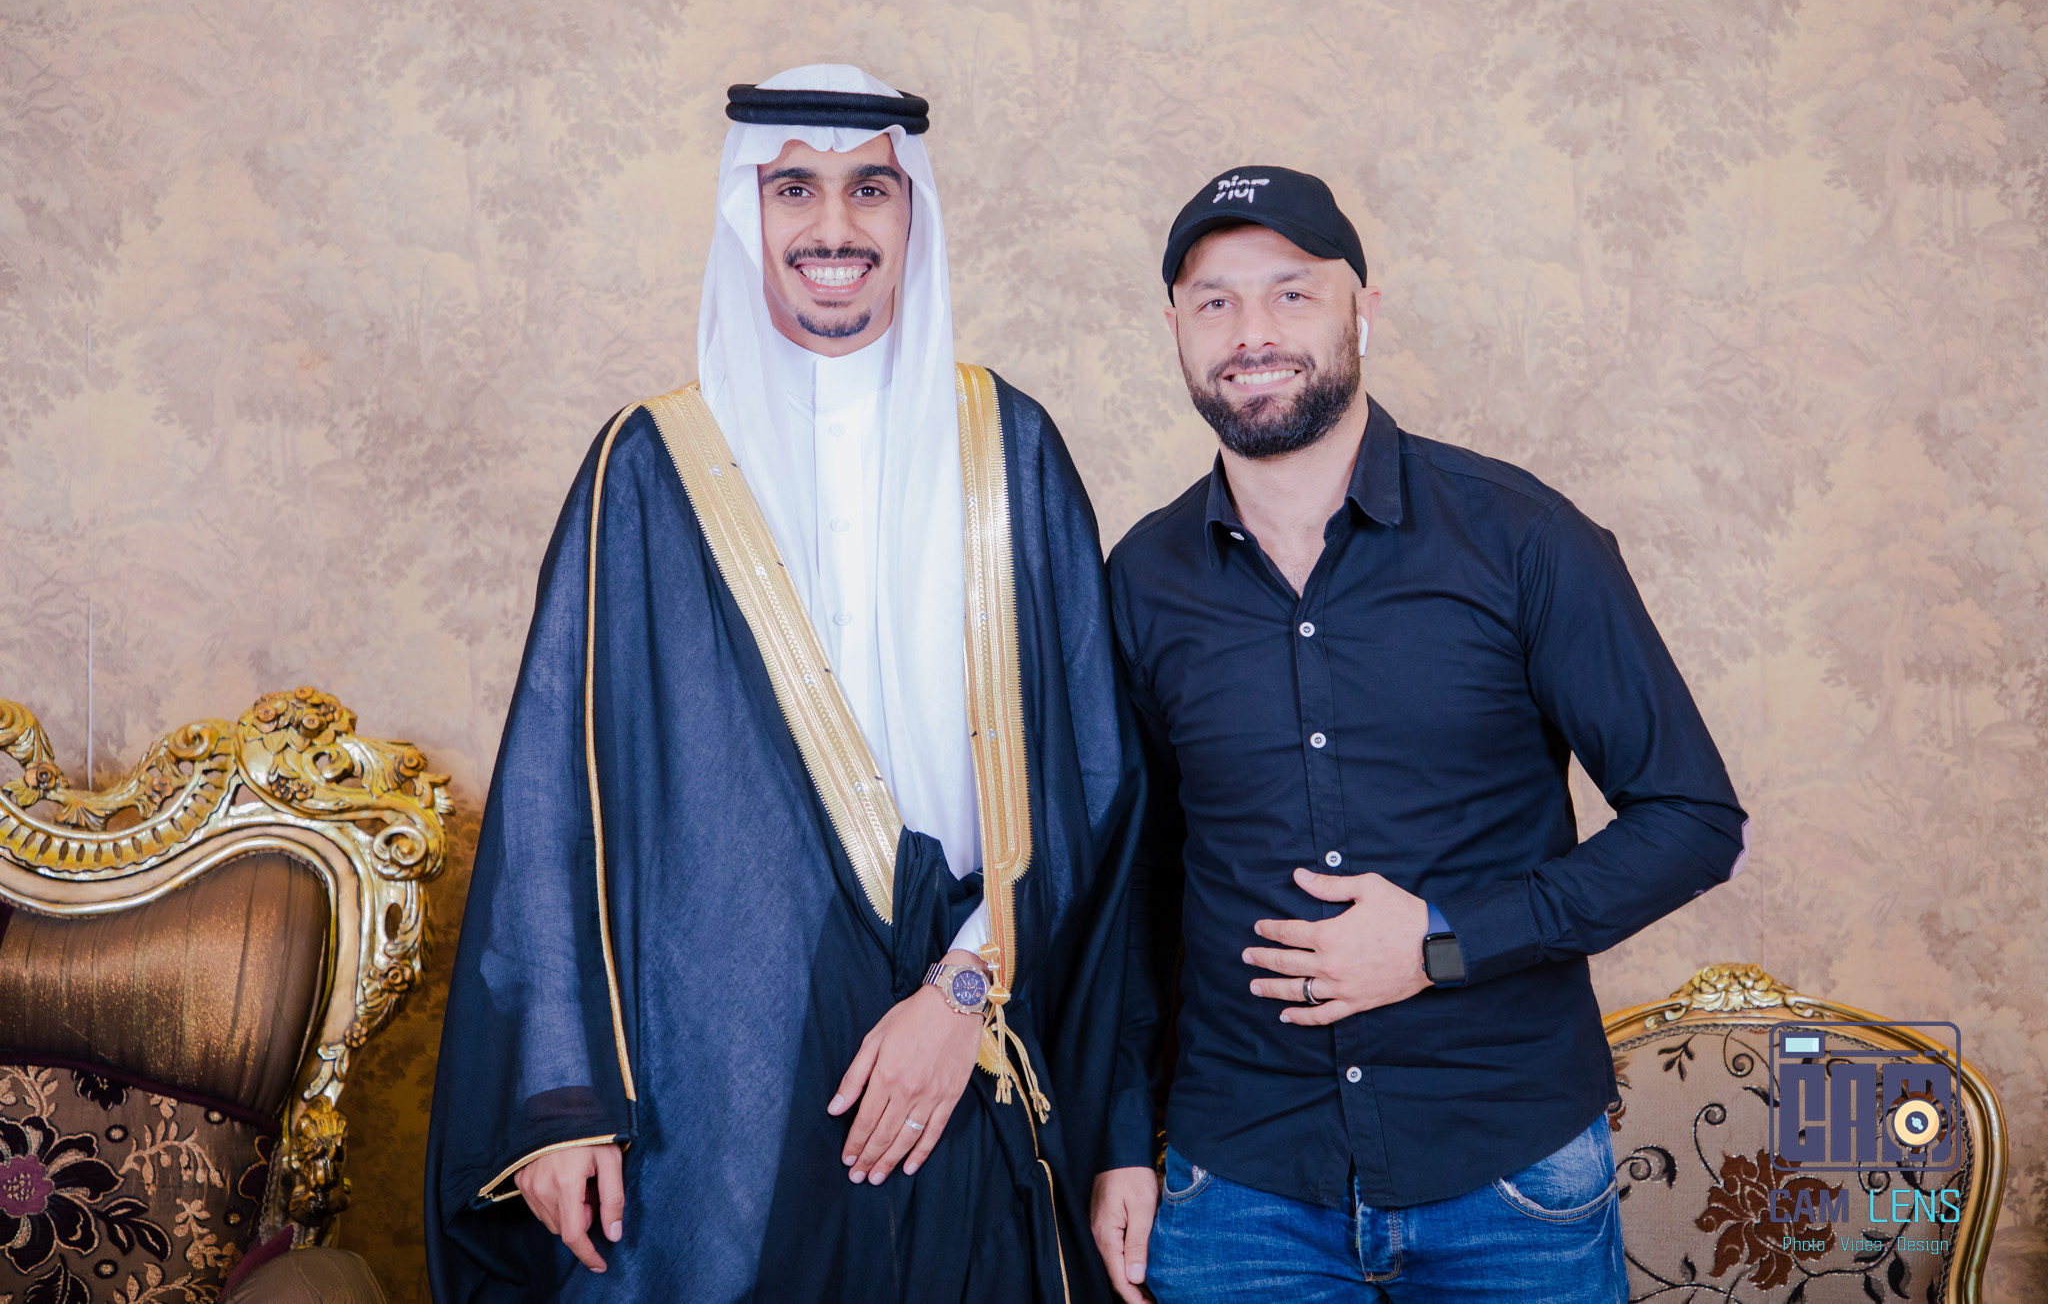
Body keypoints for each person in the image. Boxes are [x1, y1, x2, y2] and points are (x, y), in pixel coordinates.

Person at [425, 65, 1139, 1304]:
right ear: (743, 214)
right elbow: (553, 802)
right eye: (793, 188)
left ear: (912, 215)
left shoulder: (1008, 450)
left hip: (958, 1045)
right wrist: (560, 1098)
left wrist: (962, 988)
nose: (833, 225)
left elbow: (1092, 775)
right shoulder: (645, 468)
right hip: (709, 1075)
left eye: (871, 188)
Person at [1089, 166, 1749, 1303]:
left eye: (1292, 293)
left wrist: (1444, 941)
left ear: (1364, 310)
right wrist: (1118, 1137)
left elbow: (1692, 820)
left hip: (1509, 1175)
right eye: (1215, 301)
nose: (1251, 333)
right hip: (1238, 1187)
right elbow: (1137, 884)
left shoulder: (1524, 539)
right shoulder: (1141, 580)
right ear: (1176, 330)